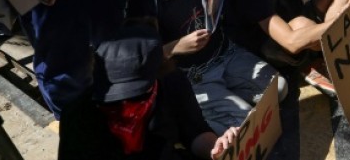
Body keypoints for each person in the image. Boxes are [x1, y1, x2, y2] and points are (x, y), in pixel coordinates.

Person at [126, 0, 282, 133]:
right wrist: (175, 47)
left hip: (226, 54)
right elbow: (137, 59)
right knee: (250, 125)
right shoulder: (148, 2)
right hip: (194, 78)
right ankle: (195, 122)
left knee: (279, 89)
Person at [58, 23, 239, 160]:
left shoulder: (172, 84)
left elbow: (195, 132)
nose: (124, 102)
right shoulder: (78, 115)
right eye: (114, 96)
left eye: (135, 95)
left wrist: (216, 148)